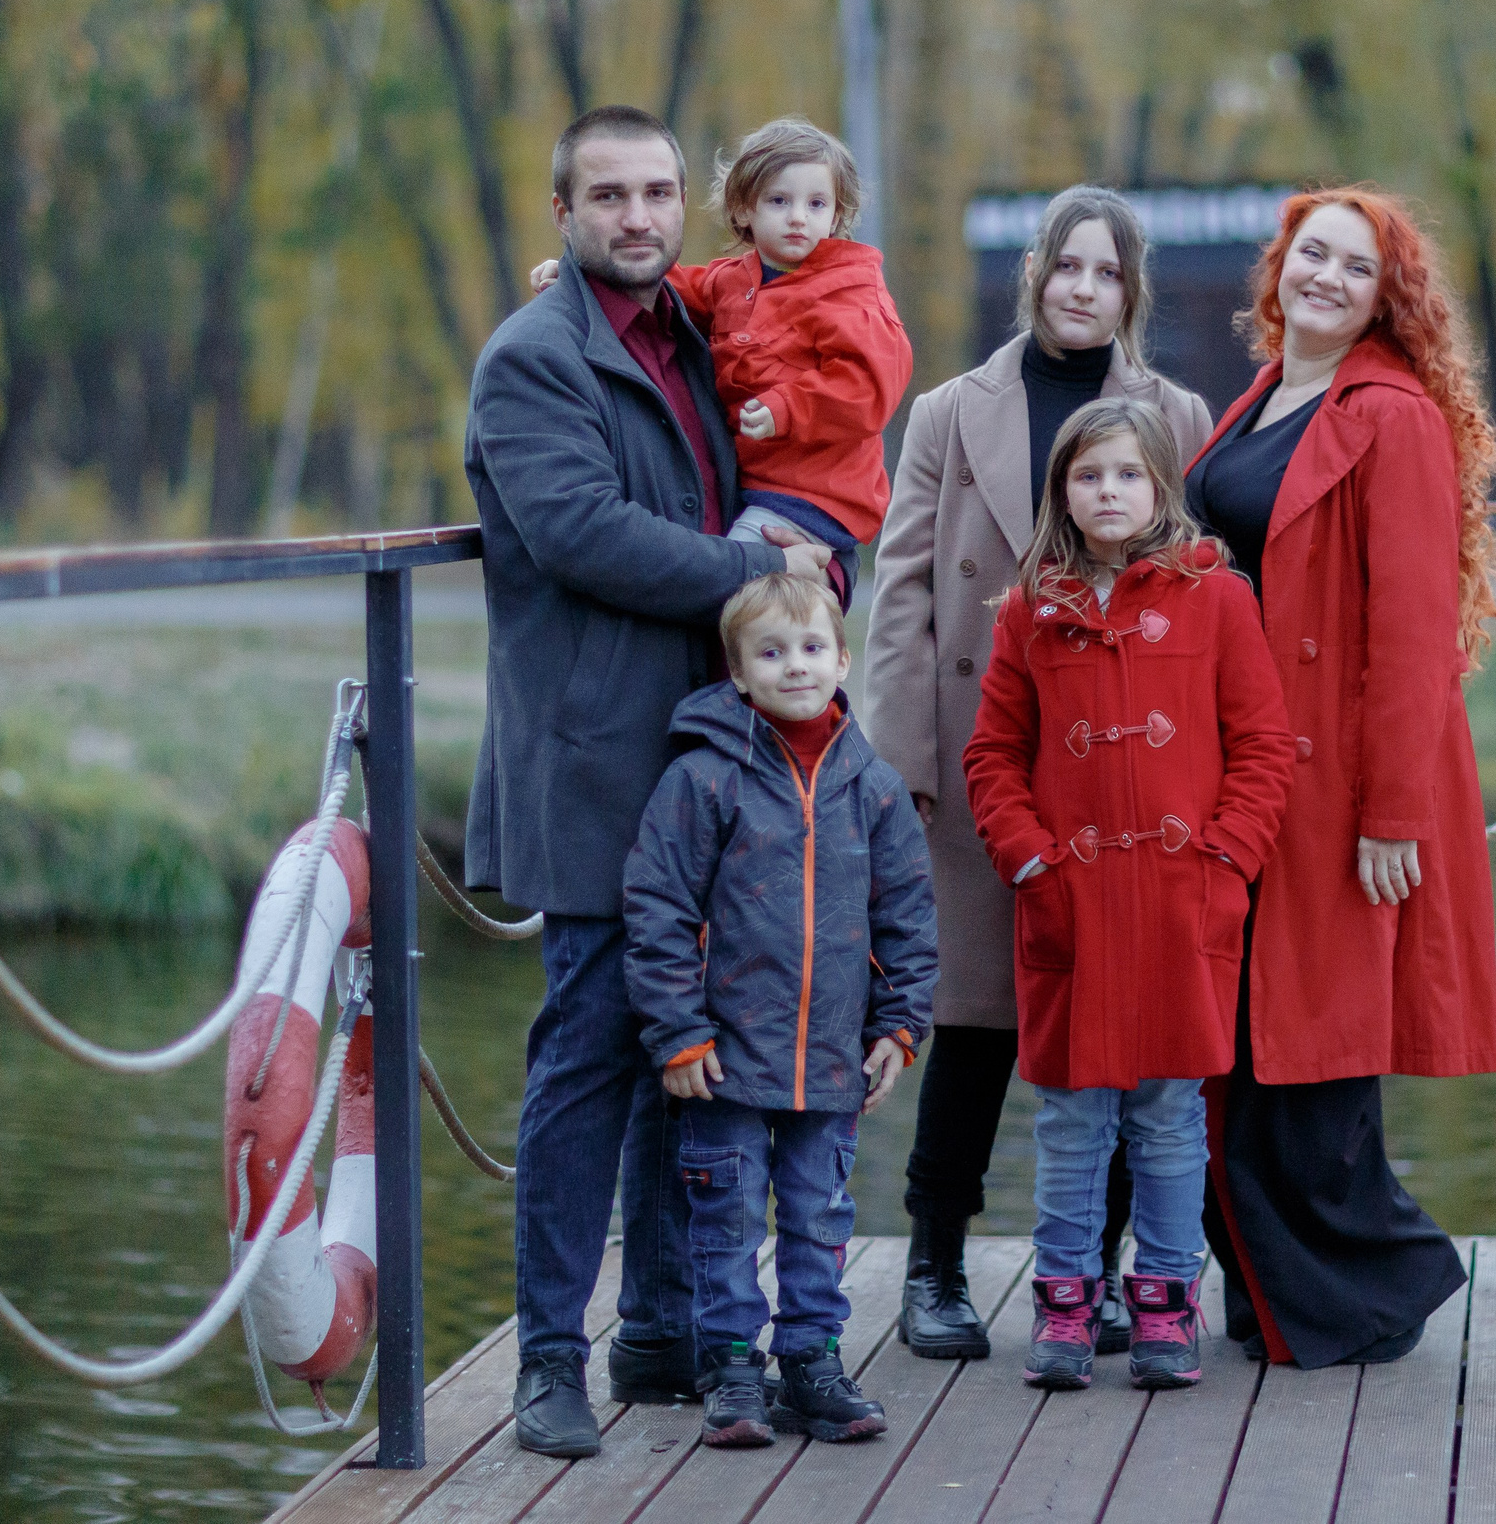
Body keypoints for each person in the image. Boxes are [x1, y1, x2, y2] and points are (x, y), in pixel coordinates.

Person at [465, 104, 833, 1459]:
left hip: (703, 760)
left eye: (658, 190)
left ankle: (663, 1332)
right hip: (589, 761)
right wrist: (766, 571)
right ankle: (548, 1359)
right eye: (607, 193)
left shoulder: (686, 331)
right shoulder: (530, 362)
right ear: (559, 211)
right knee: (589, 1054)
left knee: (697, 1050)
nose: (636, 214)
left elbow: (832, 327)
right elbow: (581, 535)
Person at [864, 187, 1216, 1360]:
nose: (1081, 288)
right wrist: (905, 764)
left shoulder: (1175, 414)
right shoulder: (948, 415)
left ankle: (1106, 1279)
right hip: (988, 764)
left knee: (1117, 1031)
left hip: (1129, 792)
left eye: (1105, 272)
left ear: (1131, 290)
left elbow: (1200, 590)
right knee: (968, 1025)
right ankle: (934, 1267)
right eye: (1065, 266)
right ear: (1034, 275)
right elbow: (903, 594)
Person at [1182, 185, 1496, 1369]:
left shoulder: (1393, 416)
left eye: (1353, 268)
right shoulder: (1267, 398)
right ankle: (1286, 1295)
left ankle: (1371, 1286)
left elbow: (1413, 633)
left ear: (1385, 298)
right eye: (1309, 254)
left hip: (1338, 781)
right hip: (1250, 771)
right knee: (1247, 1044)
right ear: (1278, 269)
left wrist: (1392, 814)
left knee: (1308, 1047)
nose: (1323, 277)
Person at [961, 399, 1296, 1390]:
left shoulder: (1217, 600)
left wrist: (1227, 860)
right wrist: (1030, 862)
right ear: (1062, 492)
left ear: (1161, 489)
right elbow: (992, 756)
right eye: (1086, 476)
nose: (1106, 492)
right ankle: (1064, 1306)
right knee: (1069, 1122)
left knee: (1168, 1118)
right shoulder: (1032, 610)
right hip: (1068, 907)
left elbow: (1264, 748)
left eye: (1126, 475)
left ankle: (1164, 1304)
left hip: (1181, 909)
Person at [622, 571, 938, 1447]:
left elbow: (907, 912)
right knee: (724, 1213)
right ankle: (732, 1367)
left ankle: (812, 1362)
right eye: (771, 651)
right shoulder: (701, 779)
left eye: (810, 648)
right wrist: (678, 1030)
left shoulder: (871, 787)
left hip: (834, 1055)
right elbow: (658, 907)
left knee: (818, 1213)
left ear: (842, 659)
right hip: (724, 1057)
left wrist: (901, 1027)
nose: (794, 666)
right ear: (739, 674)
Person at [531, 116, 914, 607]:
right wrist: (575, 270)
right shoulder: (737, 280)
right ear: (744, 209)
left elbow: (867, 388)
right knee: (747, 596)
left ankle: (767, 675)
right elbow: (672, 284)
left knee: (738, 597)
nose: (798, 217)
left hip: (814, 493)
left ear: (838, 214)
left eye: (816, 204)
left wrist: (786, 408)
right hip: (762, 485)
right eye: (779, 201)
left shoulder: (849, 292)